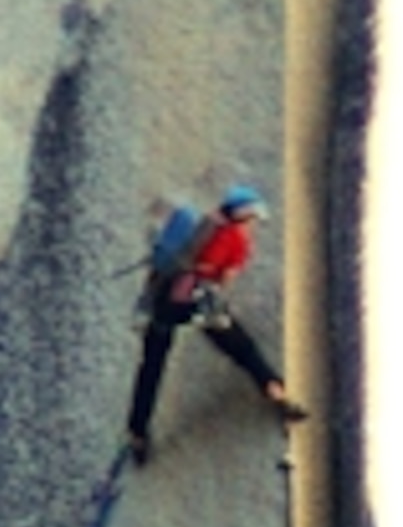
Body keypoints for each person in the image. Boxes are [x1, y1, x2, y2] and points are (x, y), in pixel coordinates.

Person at [126, 183, 308, 464]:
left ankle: (138, 433)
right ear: (244, 217)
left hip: (165, 302)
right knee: (242, 348)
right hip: (199, 302)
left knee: (151, 366)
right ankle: (275, 391)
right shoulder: (235, 239)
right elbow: (223, 278)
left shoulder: (201, 224)